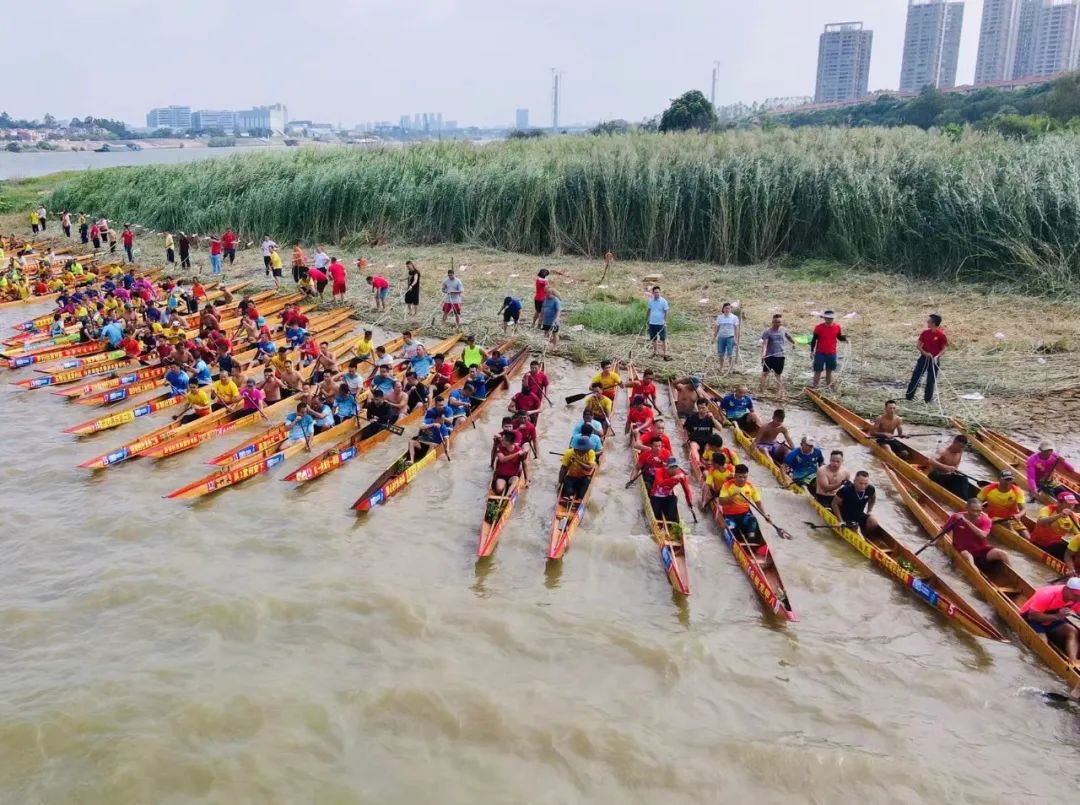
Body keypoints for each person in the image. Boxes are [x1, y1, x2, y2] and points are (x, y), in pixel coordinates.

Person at [1019, 578, 1080, 670]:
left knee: (1072, 631)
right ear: (1067, 589)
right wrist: (1058, 616)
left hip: (1053, 617)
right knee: (1043, 642)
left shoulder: (1076, 599)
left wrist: (1057, 617)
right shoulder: (1048, 594)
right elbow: (1032, 616)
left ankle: (1073, 660)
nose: (1078, 598)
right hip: (1033, 618)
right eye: (1076, 595)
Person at [942, 498, 1010, 569]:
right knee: (969, 559)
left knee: (1003, 554)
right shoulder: (956, 517)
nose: (976, 513)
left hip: (981, 550)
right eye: (973, 511)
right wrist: (935, 542)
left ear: (982, 509)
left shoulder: (986, 520)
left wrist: (966, 521)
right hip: (964, 551)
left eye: (979, 511)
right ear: (967, 508)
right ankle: (978, 577)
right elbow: (944, 530)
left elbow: (983, 535)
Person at [718, 464, 773, 538]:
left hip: (744, 515)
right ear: (735, 476)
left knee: (753, 520)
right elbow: (721, 502)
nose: (743, 479)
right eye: (740, 477)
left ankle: (752, 539)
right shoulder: (727, 485)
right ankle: (737, 537)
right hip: (729, 515)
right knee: (733, 530)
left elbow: (758, 503)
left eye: (745, 477)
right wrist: (732, 496)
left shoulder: (750, 486)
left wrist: (765, 515)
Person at [906, 313, 948, 404]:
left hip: (934, 360)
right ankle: (909, 396)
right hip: (923, 358)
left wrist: (938, 356)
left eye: (929, 321)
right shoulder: (925, 333)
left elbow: (944, 348)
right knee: (916, 377)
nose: (927, 322)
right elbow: (918, 345)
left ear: (933, 323)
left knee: (931, 380)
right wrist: (925, 353)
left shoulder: (941, 335)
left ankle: (928, 399)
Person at [977, 470, 1030, 540]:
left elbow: (1023, 510)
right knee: (1008, 525)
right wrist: (981, 514)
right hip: (993, 518)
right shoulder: (988, 489)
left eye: (1010, 479)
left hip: (1011, 519)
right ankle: (1018, 539)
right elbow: (977, 503)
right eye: (1006, 479)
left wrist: (1018, 515)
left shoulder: (1017, 491)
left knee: (1027, 537)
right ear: (999, 479)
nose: (1008, 482)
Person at [1031, 491, 1080, 561]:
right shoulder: (1048, 509)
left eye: (1073, 504)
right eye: (1068, 504)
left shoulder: (1072, 516)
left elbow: (1078, 534)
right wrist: (1060, 515)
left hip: (1056, 545)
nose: (1071, 506)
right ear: (1059, 503)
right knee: (1063, 548)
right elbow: (1041, 522)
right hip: (1040, 542)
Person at [760, 313, 796, 397]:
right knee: (765, 373)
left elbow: (789, 337)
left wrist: (794, 343)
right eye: (776, 322)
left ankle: (779, 392)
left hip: (780, 356)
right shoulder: (767, 332)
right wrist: (763, 355)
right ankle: (762, 390)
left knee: (778, 374)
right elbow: (765, 344)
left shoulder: (783, 330)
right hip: (769, 356)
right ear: (772, 322)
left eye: (779, 322)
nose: (777, 324)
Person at [650, 456, 693, 523]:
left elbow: (687, 490)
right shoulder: (659, 471)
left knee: (674, 500)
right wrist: (674, 478)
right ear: (667, 467)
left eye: (676, 467)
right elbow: (660, 484)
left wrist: (689, 501)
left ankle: (672, 521)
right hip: (656, 497)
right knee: (656, 515)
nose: (674, 469)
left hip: (667, 497)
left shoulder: (681, 475)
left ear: (678, 467)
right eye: (672, 467)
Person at [928, 435, 972, 500]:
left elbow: (957, 464)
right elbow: (931, 460)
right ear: (954, 443)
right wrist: (945, 467)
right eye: (960, 447)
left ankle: (964, 500)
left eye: (963, 447)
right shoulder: (943, 451)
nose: (961, 449)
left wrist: (954, 470)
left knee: (964, 479)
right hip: (936, 475)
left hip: (947, 476)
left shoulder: (960, 452)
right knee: (935, 473)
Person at [810, 310, 846, 389]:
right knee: (818, 370)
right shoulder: (819, 327)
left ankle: (828, 386)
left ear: (833, 319)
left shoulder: (837, 327)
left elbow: (839, 337)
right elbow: (814, 340)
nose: (829, 320)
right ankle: (815, 386)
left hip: (832, 353)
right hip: (820, 352)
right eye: (827, 318)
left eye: (831, 319)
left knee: (829, 370)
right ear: (824, 318)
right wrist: (812, 351)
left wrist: (845, 338)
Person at [683, 398, 722, 468]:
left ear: (707, 407)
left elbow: (720, 428)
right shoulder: (691, 417)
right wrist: (686, 440)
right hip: (695, 441)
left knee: (707, 450)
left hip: (707, 442)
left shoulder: (710, 418)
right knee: (694, 447)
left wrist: (712, 418)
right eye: (699, 408)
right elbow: (685, 429)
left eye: (703, 408)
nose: (701, 410)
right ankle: (698, 463)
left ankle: (710, 464)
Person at [558, 438, 597, 502]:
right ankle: (569, 496)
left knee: (587, 481)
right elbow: (563, 468)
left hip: (584, 476)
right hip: (572, 476)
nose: (585, 451)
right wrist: (560, 482)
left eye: (586, 450)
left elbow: (590, 467)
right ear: (577, 449)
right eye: (583, 450)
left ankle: (580, 499)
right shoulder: (569, 453)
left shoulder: (591, 453)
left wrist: (577, 461)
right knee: (567, 481)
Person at [491, 431, 529, 496]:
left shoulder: (519, 450)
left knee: (516, 479)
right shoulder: (500, 448)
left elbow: (524, 465)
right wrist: (516, 454)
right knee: (499, 489)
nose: (501, 440)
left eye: (503, 440)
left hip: (512, 476)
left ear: (509, 442)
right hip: (501, 476)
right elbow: (502, 459)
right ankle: (505, 493)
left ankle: (508, 495)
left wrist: (526, 480)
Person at [712, 301, 740, 374]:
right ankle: (721, 367)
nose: (727, 310)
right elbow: (717, 328)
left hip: (730, 337)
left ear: (731, 309)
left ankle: (730, 368)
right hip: (721, 337)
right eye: (726, 308)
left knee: (731, 354)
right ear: (723, 309)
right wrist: (714, 337)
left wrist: (736, 339)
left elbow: (736, 329)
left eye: (729, 308)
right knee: (721, 353)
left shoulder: (734, 318)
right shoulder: (720, 317)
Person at [646, 285, 670, 360]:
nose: (657, 294)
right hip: (652, 323)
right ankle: (655, 352)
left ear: (660, 292)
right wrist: (647, 319)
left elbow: (666, 312)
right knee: (653, 338)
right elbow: (649, 310)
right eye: (655, 292)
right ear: (653, 293)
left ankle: (665, 354)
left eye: (658, 292)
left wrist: (665, 321)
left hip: (661, 323)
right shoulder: (651, 301)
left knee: (663, 339)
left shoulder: (663, 301)